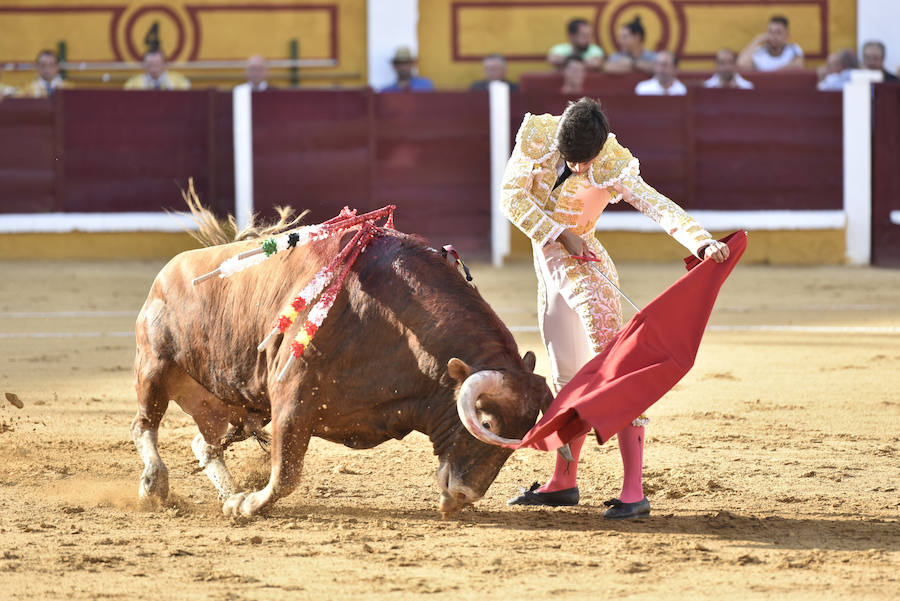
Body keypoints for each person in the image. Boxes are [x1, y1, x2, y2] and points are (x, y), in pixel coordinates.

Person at [502, 97, 729, 519]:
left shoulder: (613, 161)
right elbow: (511, 199)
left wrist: (701, 240)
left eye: (584, 162)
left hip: (590, 274)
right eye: (570, 159)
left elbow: (656, 204)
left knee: (618, 372)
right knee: (566, 376)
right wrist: (559, 233)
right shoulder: (536, 134)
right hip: (550, 269)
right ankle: (563, 482)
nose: (576, 168)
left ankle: (633, 491)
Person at [737, 15, 804, 72]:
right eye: (770, 32)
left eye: (778, 32)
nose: (773, 36)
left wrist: (768, 75)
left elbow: (797, 66)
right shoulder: (759, 51)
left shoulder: (793, 49)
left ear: (787, 36)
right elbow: (741, 65)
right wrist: (756, 40)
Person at [124, 49, 190, 90]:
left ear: (165, 64)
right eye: (150, 64)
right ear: (144, 65)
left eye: (157, 64)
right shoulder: (132, 84)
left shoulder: (180, 82)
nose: (154, 68)